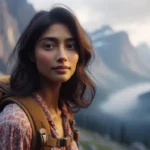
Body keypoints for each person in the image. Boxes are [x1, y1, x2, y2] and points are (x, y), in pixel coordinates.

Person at [0, 5, 95, 150]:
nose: (62, 56)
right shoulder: (17, 122)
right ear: (32, 54)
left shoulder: (63, 110)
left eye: (70, 46)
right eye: (49, 46)